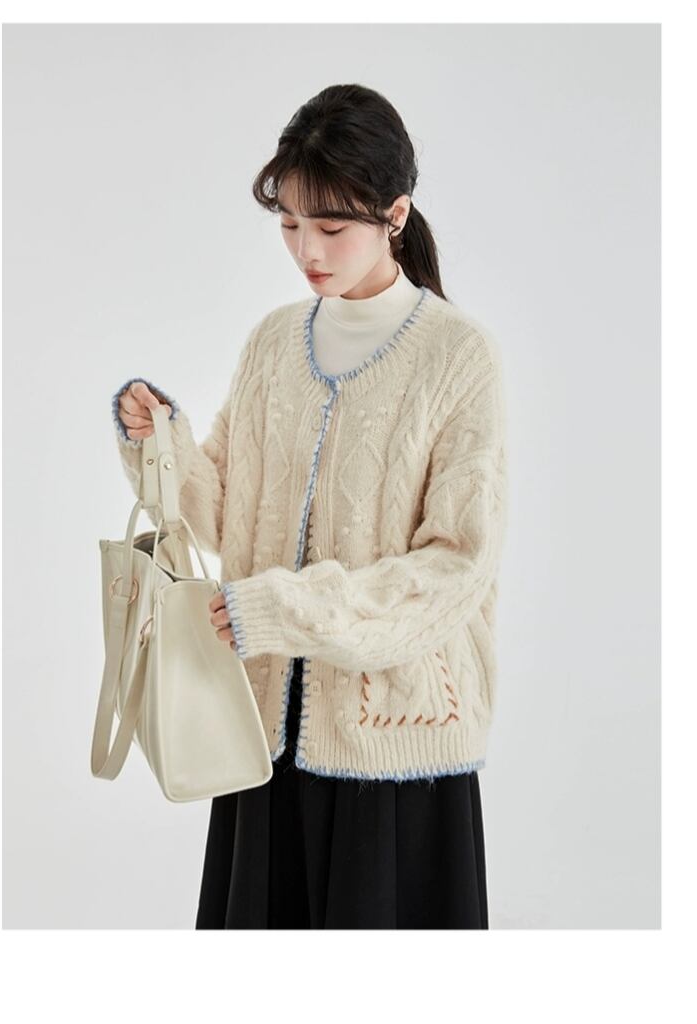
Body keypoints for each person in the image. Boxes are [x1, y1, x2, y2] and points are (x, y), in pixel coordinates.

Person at [111, 83, 508, 929]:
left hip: (394, 747)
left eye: (330, 227)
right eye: (290, 224)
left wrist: (284, 609)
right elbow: (226, 513)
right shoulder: (273, 340)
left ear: (394, 214)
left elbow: (455, 568)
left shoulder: (458, 356)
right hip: (259, 736)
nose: (306, 250)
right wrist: (162, 445)